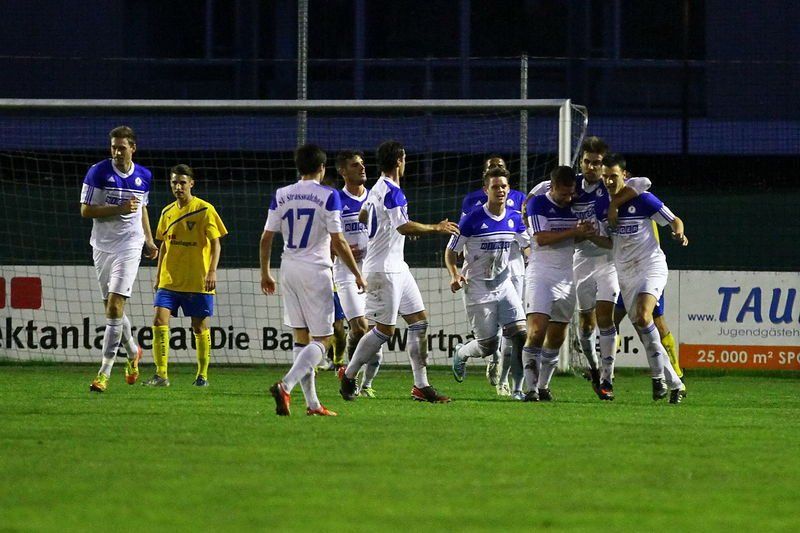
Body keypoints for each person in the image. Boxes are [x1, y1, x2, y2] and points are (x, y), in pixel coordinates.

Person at [526, 136, 649, 401]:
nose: (591, 167)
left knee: (605, 317)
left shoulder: (610, 184)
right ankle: (593, 367)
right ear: (581, 162)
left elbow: (643, 184)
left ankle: (607, 379)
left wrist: (614, 204)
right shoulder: (572, 185)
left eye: (597, 163)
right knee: (585, 324)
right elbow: (538, 193)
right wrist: (527, 206)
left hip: (608, 259)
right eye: (587, 162)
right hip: (580, 259)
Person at [339, 140, 459, 403]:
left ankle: (421, 386)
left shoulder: (376, 189)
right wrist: (436, 228)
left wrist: (389, 232)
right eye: (404, 159)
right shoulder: (393, 191)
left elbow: (363, 216)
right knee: (384, 331)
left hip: (396, 267)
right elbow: (403, 226)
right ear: (398, 161)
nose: (405, 163)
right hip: (384, 270)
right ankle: (348, 375)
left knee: (419, 322)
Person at [261, 144, 366, 416]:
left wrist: (265, 272)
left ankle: (313, 404)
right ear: (322, 167)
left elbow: (266, 237)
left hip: (288, 268)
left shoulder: (281, 194)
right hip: (316, 270)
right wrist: (357, 273)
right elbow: (338, 240)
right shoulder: (329, 195)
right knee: (324, 340)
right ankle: (286, 385)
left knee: (301, 338)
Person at [602, 153, 686, 403]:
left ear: (625, 175)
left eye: (613, 176)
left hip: (651, 266)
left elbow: (674, 220)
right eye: (605, 177)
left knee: (644, 315)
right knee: (641, 326)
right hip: (624, 273)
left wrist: (678, 233)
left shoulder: (643, 199)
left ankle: (657, 378)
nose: (609, 181)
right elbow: (607, 241)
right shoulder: (601, 204)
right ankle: (676, 383)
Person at [82, 126, 158, 393]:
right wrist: (119, 208)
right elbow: (86, 210)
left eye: (122, 147)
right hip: (102, 246)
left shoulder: (144, 175)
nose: (117, 152)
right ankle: (134, 351)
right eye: (113, 147)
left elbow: (142, 209)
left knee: (115, 306)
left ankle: (103, 373)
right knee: (112, 309)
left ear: (132, 148)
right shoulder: (98, 172)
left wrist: (149, 240)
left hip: (130, 245)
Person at [522, 166, 604, 401]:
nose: (569, 198)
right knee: (536, 331)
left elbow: (574, 237)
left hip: (567, 277)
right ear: (553, 186)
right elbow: (541, 238)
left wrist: (585, 233)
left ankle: (543, 386)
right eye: (564, 193)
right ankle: (530, 389)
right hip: (541, 275)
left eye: (571, 193)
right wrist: (573, 231)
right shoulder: (538, 203)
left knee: (557, 337)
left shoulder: (574, 206)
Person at [446, 167, 528, 399]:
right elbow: (450, 251)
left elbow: (526, 245)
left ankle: (518, 390)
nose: (500, 190)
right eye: (495, 187)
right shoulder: (471, 219)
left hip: (504, 286)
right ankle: (462, 353)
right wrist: (454, 274)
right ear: (486, 190)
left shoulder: (514, 218)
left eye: (503, 186)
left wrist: (533, 260)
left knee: (521, 335)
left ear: (508, 189)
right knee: (488, 346)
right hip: (477, 289)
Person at [144, 164, 227, 387]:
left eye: (182, 182)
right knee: (159, 320)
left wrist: (212, 271)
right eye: (174, 183)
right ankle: (161, 375)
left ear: (191, 184)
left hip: (197, 281)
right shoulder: (167, 212)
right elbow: (164, 246)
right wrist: (158, 276)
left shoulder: (204, 209)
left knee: (199, 327)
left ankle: (202, 375)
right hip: (169, 280)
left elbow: (216, 243)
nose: (178, 187)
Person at [332, 150, 382, 397]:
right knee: (360, 328)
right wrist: (338, 249)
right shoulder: (336, 200)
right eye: (355, 165)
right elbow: (327, 238)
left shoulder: (375, 197)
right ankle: (350, 378)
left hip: (373, 270)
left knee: (377, 332)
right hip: (346, 273)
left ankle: (365, 384)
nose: (362, 168)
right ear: (342, 171)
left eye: (362, 164)